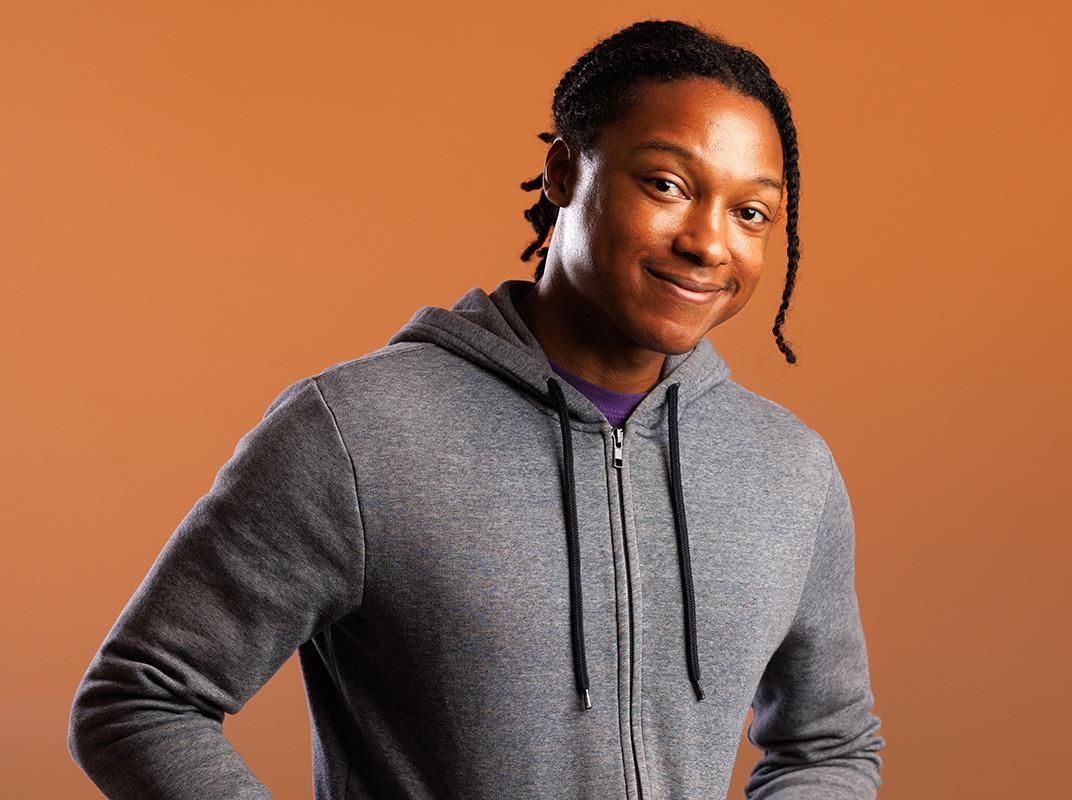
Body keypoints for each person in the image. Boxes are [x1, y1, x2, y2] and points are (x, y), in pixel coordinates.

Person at [68, 18, 885, 800]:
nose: (708, 242)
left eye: (750, 212)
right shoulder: (360, 434)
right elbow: (139, 699)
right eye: (665, 185)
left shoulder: (789, 470)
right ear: (564, 172)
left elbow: (830, 743)